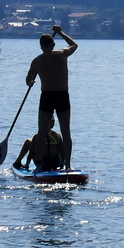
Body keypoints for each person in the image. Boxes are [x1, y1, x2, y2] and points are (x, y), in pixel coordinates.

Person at [26, 25, 78, 170]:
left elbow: (28, 80)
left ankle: (39, 164)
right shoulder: (62, 53)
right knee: (65, 131)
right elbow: (74, 45)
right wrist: (61, 32)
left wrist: (31, 82)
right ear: (53, 44)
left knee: (42, 132)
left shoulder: (37, 61)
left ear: (41, 46)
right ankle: (67, 165)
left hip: (47, 96)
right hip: (62, 95)